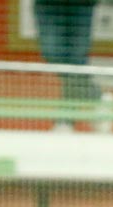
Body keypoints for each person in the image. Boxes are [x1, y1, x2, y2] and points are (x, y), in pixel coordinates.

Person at [34, 0, 100, 131]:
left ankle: (66, 118)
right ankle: (97, 96)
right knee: (51, 51)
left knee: (76, 59)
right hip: (48, 5)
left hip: (81, 4)